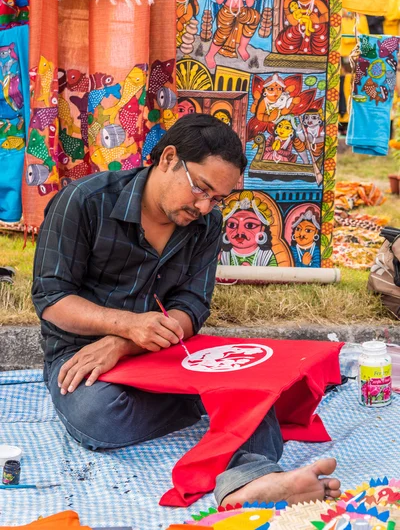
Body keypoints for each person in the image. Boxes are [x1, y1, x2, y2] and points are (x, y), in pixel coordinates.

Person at [32, 113, 340, 507]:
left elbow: (192, 305)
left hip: (165, 352)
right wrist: (127, 326)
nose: (205, 205)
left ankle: (252, 477)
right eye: (202, 189)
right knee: (97, 416)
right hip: (83, 356)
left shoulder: (206, 223)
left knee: (248, 375)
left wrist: (127, 342)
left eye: (217, 199)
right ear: (168, 158)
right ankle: (218, 403)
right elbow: (51, 299)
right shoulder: (85, 201)